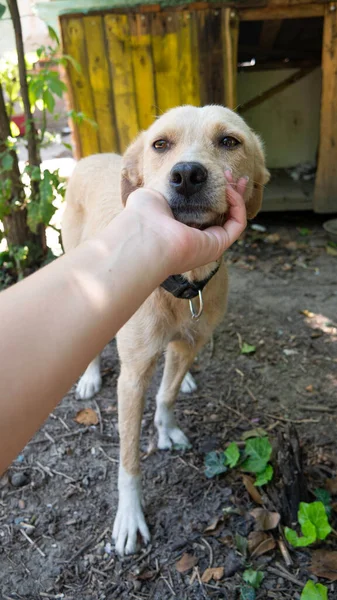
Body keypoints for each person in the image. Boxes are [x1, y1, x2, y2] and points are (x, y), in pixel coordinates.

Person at [0, 172, 248, 474]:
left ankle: (165, 411)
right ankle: (91, 362)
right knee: (134, 366)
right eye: (161, 144)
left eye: (228, 141)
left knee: (186, 346)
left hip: (203, 285)